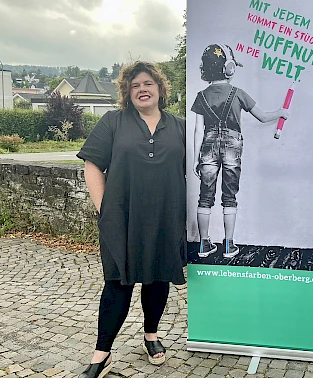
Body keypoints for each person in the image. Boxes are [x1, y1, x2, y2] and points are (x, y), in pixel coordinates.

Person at [76, 61, 187, 378]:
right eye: (135, 85)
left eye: (148, 83)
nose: (142, 89)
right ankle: (101, 355)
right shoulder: (113, 122)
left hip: (166, 219)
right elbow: (92, 165)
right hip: (121, 220)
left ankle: (151, 336)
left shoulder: (179, 127)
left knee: (157, 280)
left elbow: (196, 170)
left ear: (160, 89)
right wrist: (104, 207)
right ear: (127, 91)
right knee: (116, 284)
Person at [191, 43, 289, 258]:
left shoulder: (200, 96)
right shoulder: (239, 94)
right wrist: (281, 112)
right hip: (233, 145)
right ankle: (229, 245)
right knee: (230, 195)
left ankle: (204, 244)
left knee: (205, 197)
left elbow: (199, 131)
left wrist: (195, 158)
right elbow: (263, 116)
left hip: (207, 144)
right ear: (229, 68)